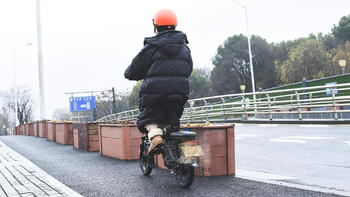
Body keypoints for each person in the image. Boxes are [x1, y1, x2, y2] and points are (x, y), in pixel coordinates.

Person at [124, 9, 193, 153]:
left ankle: (155, 136)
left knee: (147, 119)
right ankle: (183, 156)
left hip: (155, 93)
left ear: (156, 26)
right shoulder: (185, 48)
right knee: (172, 120)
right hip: (180, 91)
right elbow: (189, 68)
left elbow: (135, 69)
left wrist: (130, 74)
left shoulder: (152, 47)